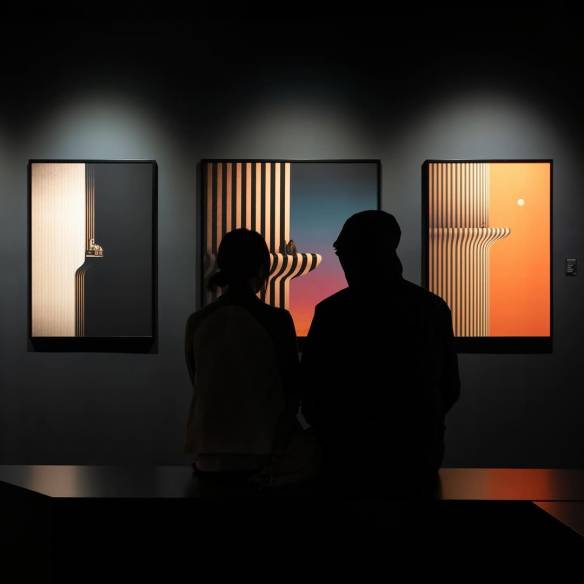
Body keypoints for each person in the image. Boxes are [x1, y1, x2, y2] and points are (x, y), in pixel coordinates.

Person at [300, 210, 460, 498]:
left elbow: (311, 389)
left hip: (346, 456)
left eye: (343, 252)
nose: (343, 261)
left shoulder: (332, 313)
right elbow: (449, 387)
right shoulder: (431, 308)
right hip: (416, 453)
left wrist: (335, 429)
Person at [184, 229, 300, 491]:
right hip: (263, 456)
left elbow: (197, 380)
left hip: (208, 457)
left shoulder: (197, 322)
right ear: (262, 269)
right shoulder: (277, 321)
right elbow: (292, 390)